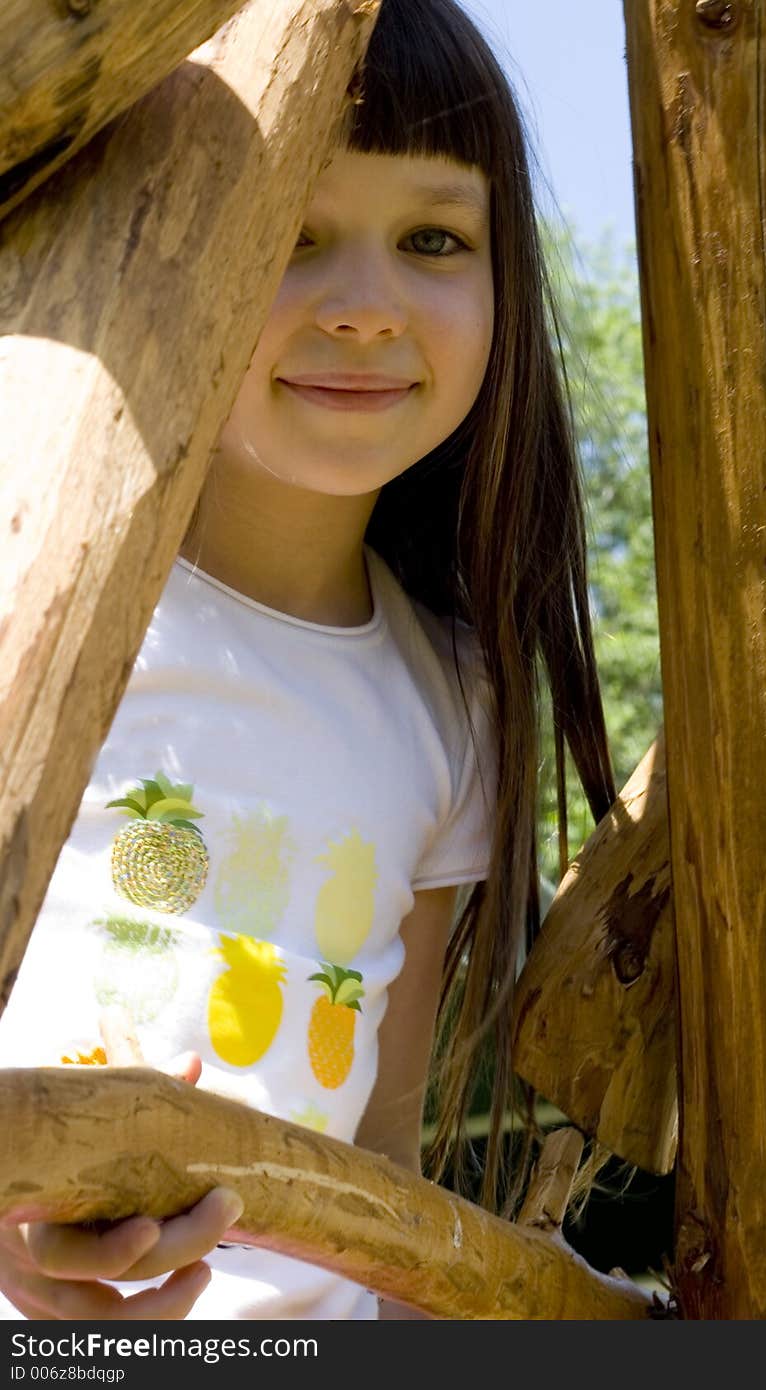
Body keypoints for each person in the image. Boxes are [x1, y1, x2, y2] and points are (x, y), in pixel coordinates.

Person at [0, 0, 615, 1320]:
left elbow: (381, 1163)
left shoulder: (454, 698)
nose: (363, 306)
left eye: (433, 238)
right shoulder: (30, 590)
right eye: (292, 232)